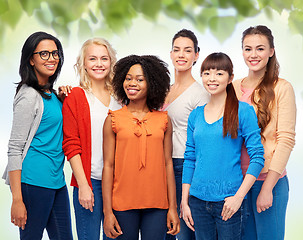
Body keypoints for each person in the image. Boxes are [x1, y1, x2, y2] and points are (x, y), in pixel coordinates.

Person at [181, 52, 265, 240]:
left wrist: (238, 197)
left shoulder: (243, 111)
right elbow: (190, 158)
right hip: (197, 201)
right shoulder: (195, 115)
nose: (212, 78)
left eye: (219, 73)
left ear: (230, 78)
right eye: (207, 73)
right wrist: (184, 201)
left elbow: (258, 157)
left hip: (229, 202)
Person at [2, 31, 72, 239]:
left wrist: (63, 98)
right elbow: (14, 148)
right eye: (44, 54)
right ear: (31, 59)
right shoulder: (28, 95)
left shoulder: (51, 94)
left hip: (57, 181)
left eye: (55, 53)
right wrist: (17, 199)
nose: (51, 58)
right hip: (33, 182)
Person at [102, 55, 180, 239]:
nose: (132, 83)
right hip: (122, 205)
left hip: (157, 206)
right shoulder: (112, 119)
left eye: (139, 79)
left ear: (152, 83)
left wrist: (173, 208)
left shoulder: (164, 120)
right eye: (128, 78)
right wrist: (107, 212)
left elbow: (168, 164)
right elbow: (108, 166)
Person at [233, 25, 296, 240]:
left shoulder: (282, 88)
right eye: (247, 49)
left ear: (271, 51)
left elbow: (285, 140)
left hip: (268, 181)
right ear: (242, 52)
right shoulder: (231, 87)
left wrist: (268, 187)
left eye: (260, 49)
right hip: (238, 183)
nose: (253, 55)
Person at [62, 38, 121, 240]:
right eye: (93, 58)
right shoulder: (76, 96)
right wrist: (83, 185)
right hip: (90, 182)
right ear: (84, 64)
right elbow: (71, 144)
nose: (99, 64)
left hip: (118, 183)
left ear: (111, 62)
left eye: (104, 58)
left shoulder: (121, 97)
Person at [163, 29, 210, 240]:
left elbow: (202, 141)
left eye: (187, 50)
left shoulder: (200, 94)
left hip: (184, 166)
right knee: (164, 229)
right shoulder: (164, 90)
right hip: (161, 165)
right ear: (171, 54)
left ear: (196, 55)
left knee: (183, 230)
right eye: (177, 50)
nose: (181, 55)